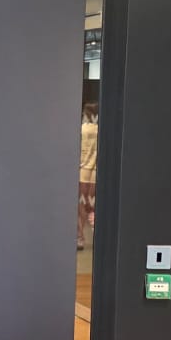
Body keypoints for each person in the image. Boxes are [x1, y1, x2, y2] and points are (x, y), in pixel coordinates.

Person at [78, 102, 98, 251]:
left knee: (81, 207)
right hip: (96, 173)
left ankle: (80, 239)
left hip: (82, 172)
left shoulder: (81, 130)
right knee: (93, 207)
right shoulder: (101, 131)